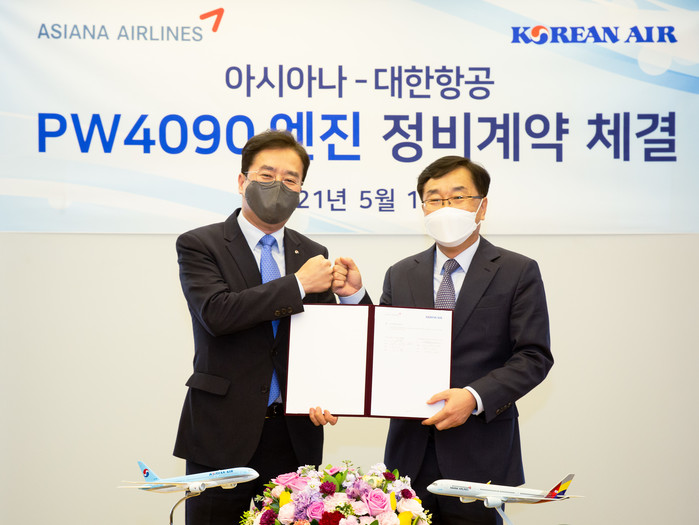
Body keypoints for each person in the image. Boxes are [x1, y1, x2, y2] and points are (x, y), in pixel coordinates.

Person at [173, 130, 367, 525]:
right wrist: (298, 284)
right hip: (222, 432)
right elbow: (217, 314)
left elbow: (328, 339)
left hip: (294, 434)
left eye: (290, 179)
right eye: (266, 175)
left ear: (301, 191)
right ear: (241, 181)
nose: (278, 185)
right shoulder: (200, 244)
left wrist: (352, 296)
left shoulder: (312, 253)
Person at [380, 156, 554, 525]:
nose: (445, 208)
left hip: (480, 454)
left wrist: (473, 397)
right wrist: (352, 298)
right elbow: (382, 345)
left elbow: (533, 356)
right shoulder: (400, 273)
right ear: (423, 208)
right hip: (409, 456)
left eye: (458, 197)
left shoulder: (517, 271)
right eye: (434, 199)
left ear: (482, 207)